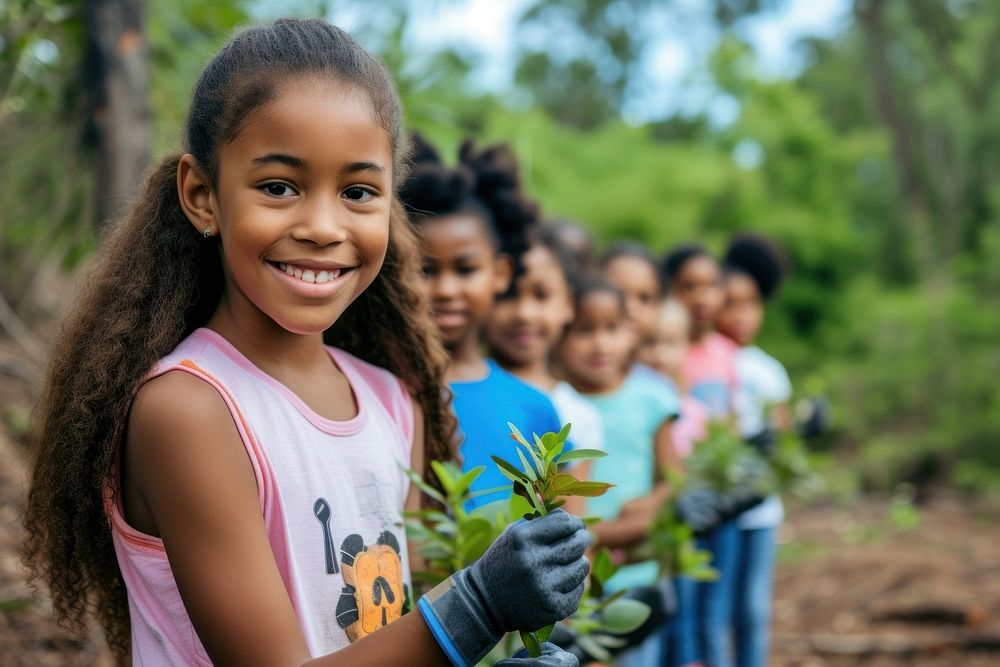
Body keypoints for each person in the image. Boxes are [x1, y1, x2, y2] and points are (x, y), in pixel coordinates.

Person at [21, 19, 588, 667]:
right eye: (279, 186)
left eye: (357, 192)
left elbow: (400, 629)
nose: (322, 226)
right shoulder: (191, 411)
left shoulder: (392, 399)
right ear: (202, 195)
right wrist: (479, 607)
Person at [400, 134, 563, 511]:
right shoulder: (380, 392)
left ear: (501, 273)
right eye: (424, 269)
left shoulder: (534, 408)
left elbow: (564, 540)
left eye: (466, 268)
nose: (445, 289)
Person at [555, 277, 680, 667]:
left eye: (613, 329)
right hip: (576, 579)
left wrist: (650, 506)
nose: (601, 344)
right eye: (584, 330)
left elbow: (674, 478)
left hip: (636, 575)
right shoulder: (555, 404)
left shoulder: (652, 399)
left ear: (631, 333)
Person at [484, 225, 603, 513]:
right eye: (508, 295)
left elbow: (572, 525)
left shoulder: (580, 417)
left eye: (542, 295)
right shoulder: (453, 390)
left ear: (569, 304)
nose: (524, 313)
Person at [662, 244, 740, 667]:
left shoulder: (726, 354)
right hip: (680, 503)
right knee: (684, 611)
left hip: (722, 500)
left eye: (711, 285)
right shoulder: (669, 351)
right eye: (689, 286)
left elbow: (732, 424)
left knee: (716, 609)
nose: (702, 296)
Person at [717, 234, 792, 667]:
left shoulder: (769, 371)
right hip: (716, 511)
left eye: (751, 304)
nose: (742, 315)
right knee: (718, 609)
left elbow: (781, 441)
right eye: (732, 303)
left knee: (753, 609)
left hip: (761, 512)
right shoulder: (707, 360)